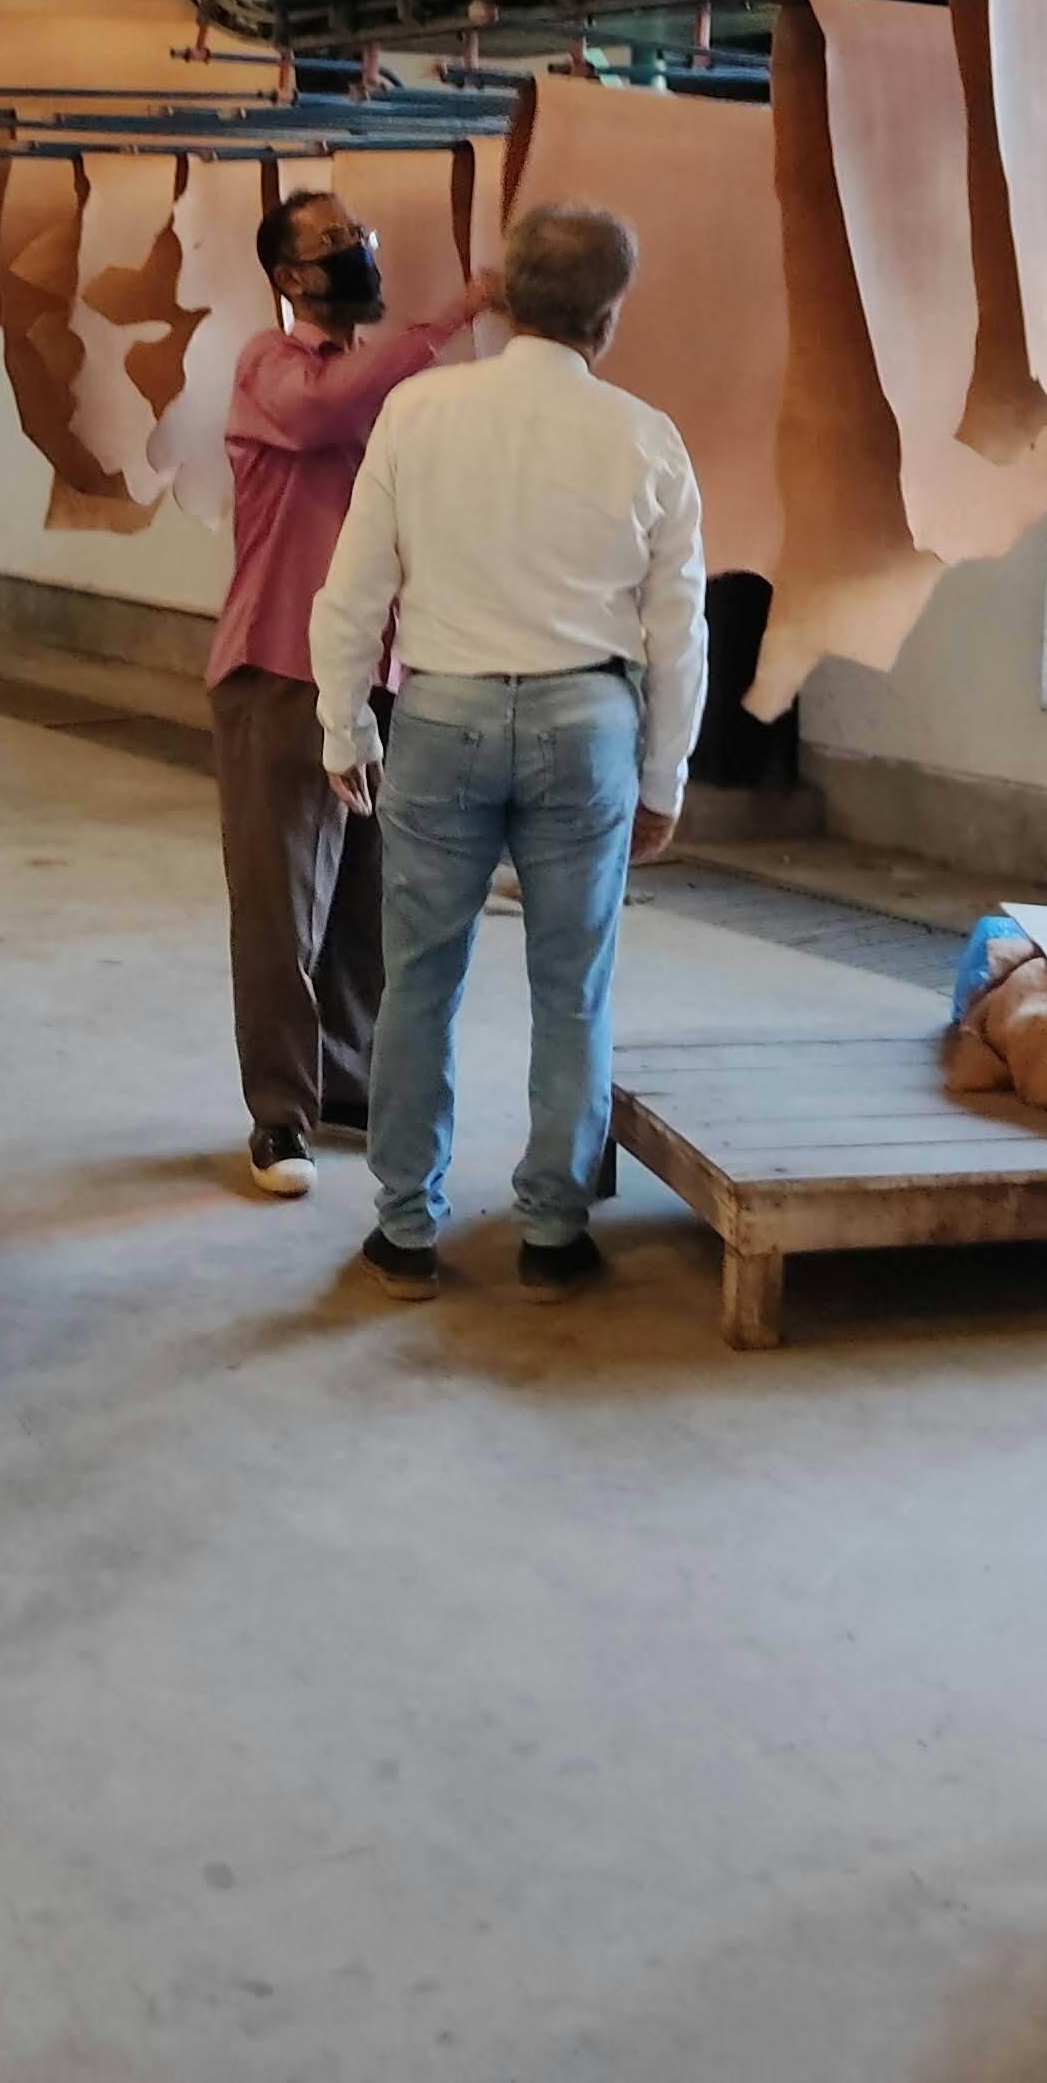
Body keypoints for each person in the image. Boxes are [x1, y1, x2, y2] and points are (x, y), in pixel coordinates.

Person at [307, 201, 707, 1300]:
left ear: (505, 296)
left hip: (442, 719)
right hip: (589, 730)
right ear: (607, 319)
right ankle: (552, 1234)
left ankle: (404, 1230)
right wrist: (663, 778)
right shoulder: (647, 438)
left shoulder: (419, 412)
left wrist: (345, 725)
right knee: (573, 987)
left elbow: (353, 591)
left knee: (418, 981)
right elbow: (680, 633)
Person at [206, 185, 497, 1199]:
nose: (356, 251)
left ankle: (347, 1081)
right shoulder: (272, 367)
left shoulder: (386, 390)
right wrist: (458, 311)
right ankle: (279, 1115)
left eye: (358, 235)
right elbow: (326, 406)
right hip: (281, 669)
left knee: (366, 898)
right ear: (290, 275)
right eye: (333, 240)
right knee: (281, 903)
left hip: (379, 673)